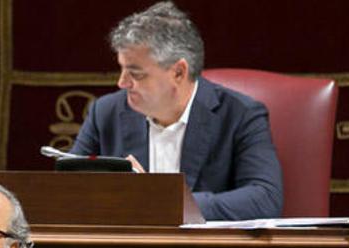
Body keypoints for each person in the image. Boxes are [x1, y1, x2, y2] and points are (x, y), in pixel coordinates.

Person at [70, 1, 282, 221]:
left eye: (136, 74)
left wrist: (163, 201)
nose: (122, 83)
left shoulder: (240, 115)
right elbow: (66, 191)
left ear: (179, 72)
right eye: (121, 69)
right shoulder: (105, 112)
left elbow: (265, 199)